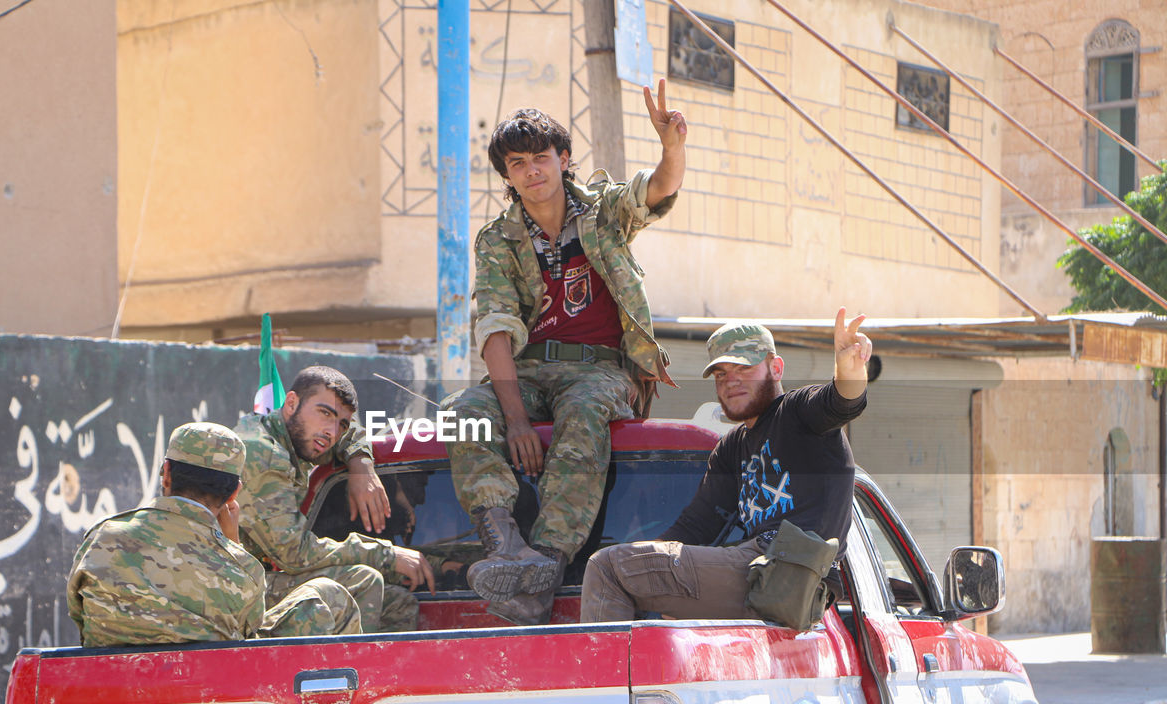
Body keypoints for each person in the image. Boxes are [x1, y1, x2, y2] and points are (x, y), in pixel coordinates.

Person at [444, 79, 688, 625]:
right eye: (516, 163)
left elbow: (656, 190)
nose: (531, 171)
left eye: (540, 158)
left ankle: (548, 563)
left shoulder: (602, 213)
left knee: (584, 414)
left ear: (563, 159)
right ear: (507, 175)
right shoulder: (498, 240)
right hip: (529, 372)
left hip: (599, 371)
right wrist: (514, 423)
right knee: (462, 415)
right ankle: (505, 543)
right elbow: (497, 327)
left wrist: (671, 145)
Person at [580, 309, 872, 624]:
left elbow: (841, 402)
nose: (730, 381)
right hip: (760, 574)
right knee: (652, 601)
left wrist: (849, 371)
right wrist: (646, 561)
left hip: (789, 570)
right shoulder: (731, 448)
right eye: (721, 374)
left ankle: (598, 671)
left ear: (775, 368)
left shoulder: (797, 412)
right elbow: (696, 527)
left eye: (743, 368)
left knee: (606, 567)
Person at [67, 422, 360, 647]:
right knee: (327, 595)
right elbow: (247, 641)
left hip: (110, 689)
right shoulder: (243, 569)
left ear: (166, 473)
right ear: (234, 492)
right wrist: (231, 546)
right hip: (209, 694)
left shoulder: (102, 538)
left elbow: (79, 616)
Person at [234, 366, 434, 633]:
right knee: (364, 580)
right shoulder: (264, 454)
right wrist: (385, 554)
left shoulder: (298, 436)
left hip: (254, 578)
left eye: (340, 423)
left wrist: (361, 464)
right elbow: (293, 554)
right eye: (324, 413)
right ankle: (352, 672)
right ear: (291, 403)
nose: (331, 432)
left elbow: (353, 433)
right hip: (226, 589)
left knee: (396, 603)